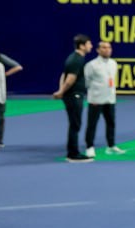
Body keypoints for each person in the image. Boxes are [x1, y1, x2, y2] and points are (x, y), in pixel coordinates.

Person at [52, 34, 93, 163]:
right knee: (75, 124)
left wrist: (61, 90)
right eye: (89, 44)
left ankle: (73, 151)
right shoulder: (77, 59)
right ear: (82, 46)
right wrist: (61, 91)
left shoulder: (74, 58)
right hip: (74, 95)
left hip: (72, 95)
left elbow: (63, 75)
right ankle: (73, 154)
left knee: (74, 124)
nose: (91, 46)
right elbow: (70, 79)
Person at [83, 40, 122, 157]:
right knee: (92, 124)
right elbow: (86, 82)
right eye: (104, 47)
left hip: (110, 99)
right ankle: (89, 147)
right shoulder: (91, 65)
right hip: (96, 100)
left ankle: (111, 145)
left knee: (111, 123)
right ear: (98, 50)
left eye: (109, 47)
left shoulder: (113, 63)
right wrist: (94, 94)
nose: (107, 50)